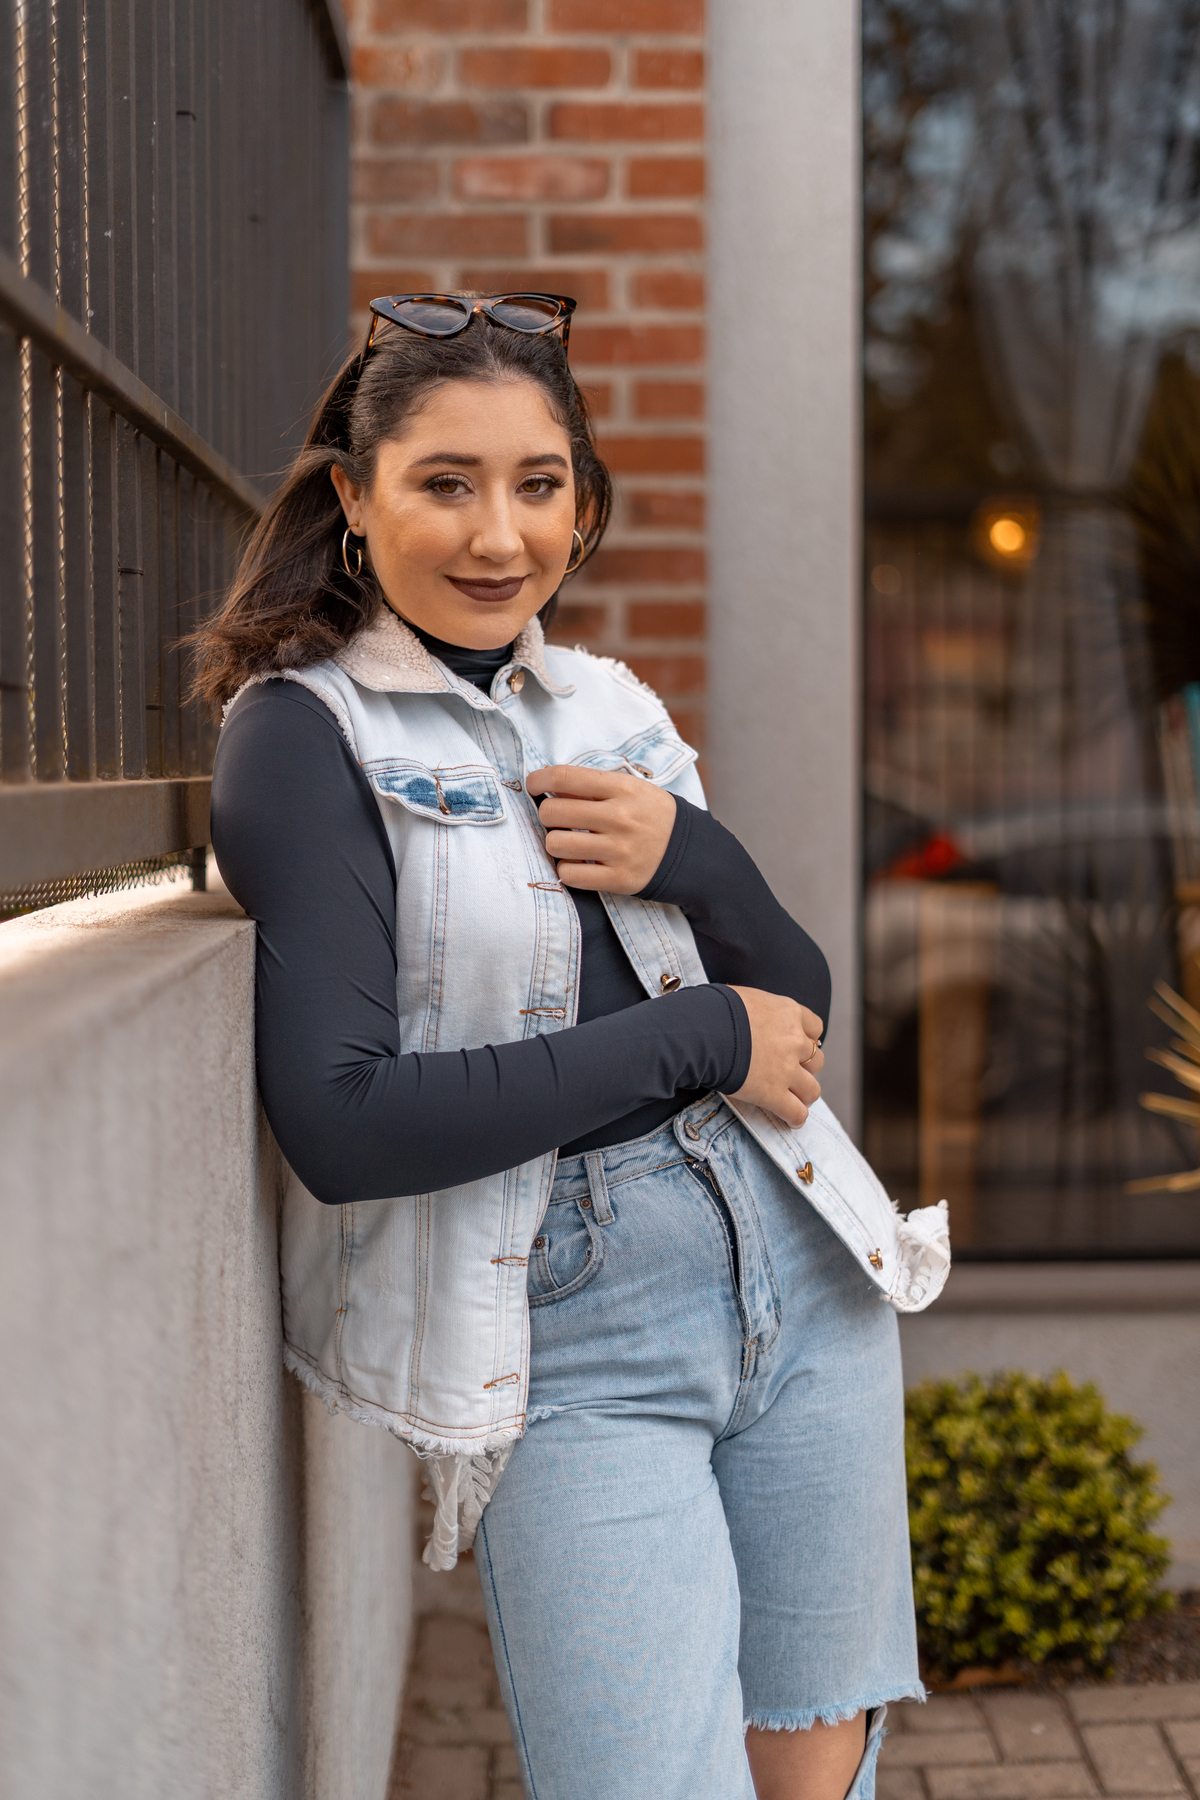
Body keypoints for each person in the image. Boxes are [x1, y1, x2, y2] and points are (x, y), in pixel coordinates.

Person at [200, 292, 949, 1800]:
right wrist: (692, 1041)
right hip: (569, 1328)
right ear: (354, 497)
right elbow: (343, 1125)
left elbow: (787, 1023)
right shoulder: (303, 738)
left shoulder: (606, 705)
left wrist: (702, 856)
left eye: (538, 486)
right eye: (446, 483)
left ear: (582, 502)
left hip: (801, 1260)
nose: (498, 538)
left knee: (820, 1764)